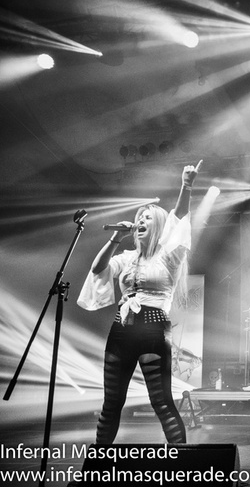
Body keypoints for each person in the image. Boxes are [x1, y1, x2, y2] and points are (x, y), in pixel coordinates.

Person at [77, 161, 202, 444]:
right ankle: (99, 460)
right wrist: (115, 238)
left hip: (153, 329)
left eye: (147, 217)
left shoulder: (169, 256)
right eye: (140, 217)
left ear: (158, 225)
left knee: (161, 401)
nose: (141, 221)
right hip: (121, 329)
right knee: (111, 403)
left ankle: (182, 461)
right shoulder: (127, 257)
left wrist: (186, 185)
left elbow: (179, 217)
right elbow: (98, 269)